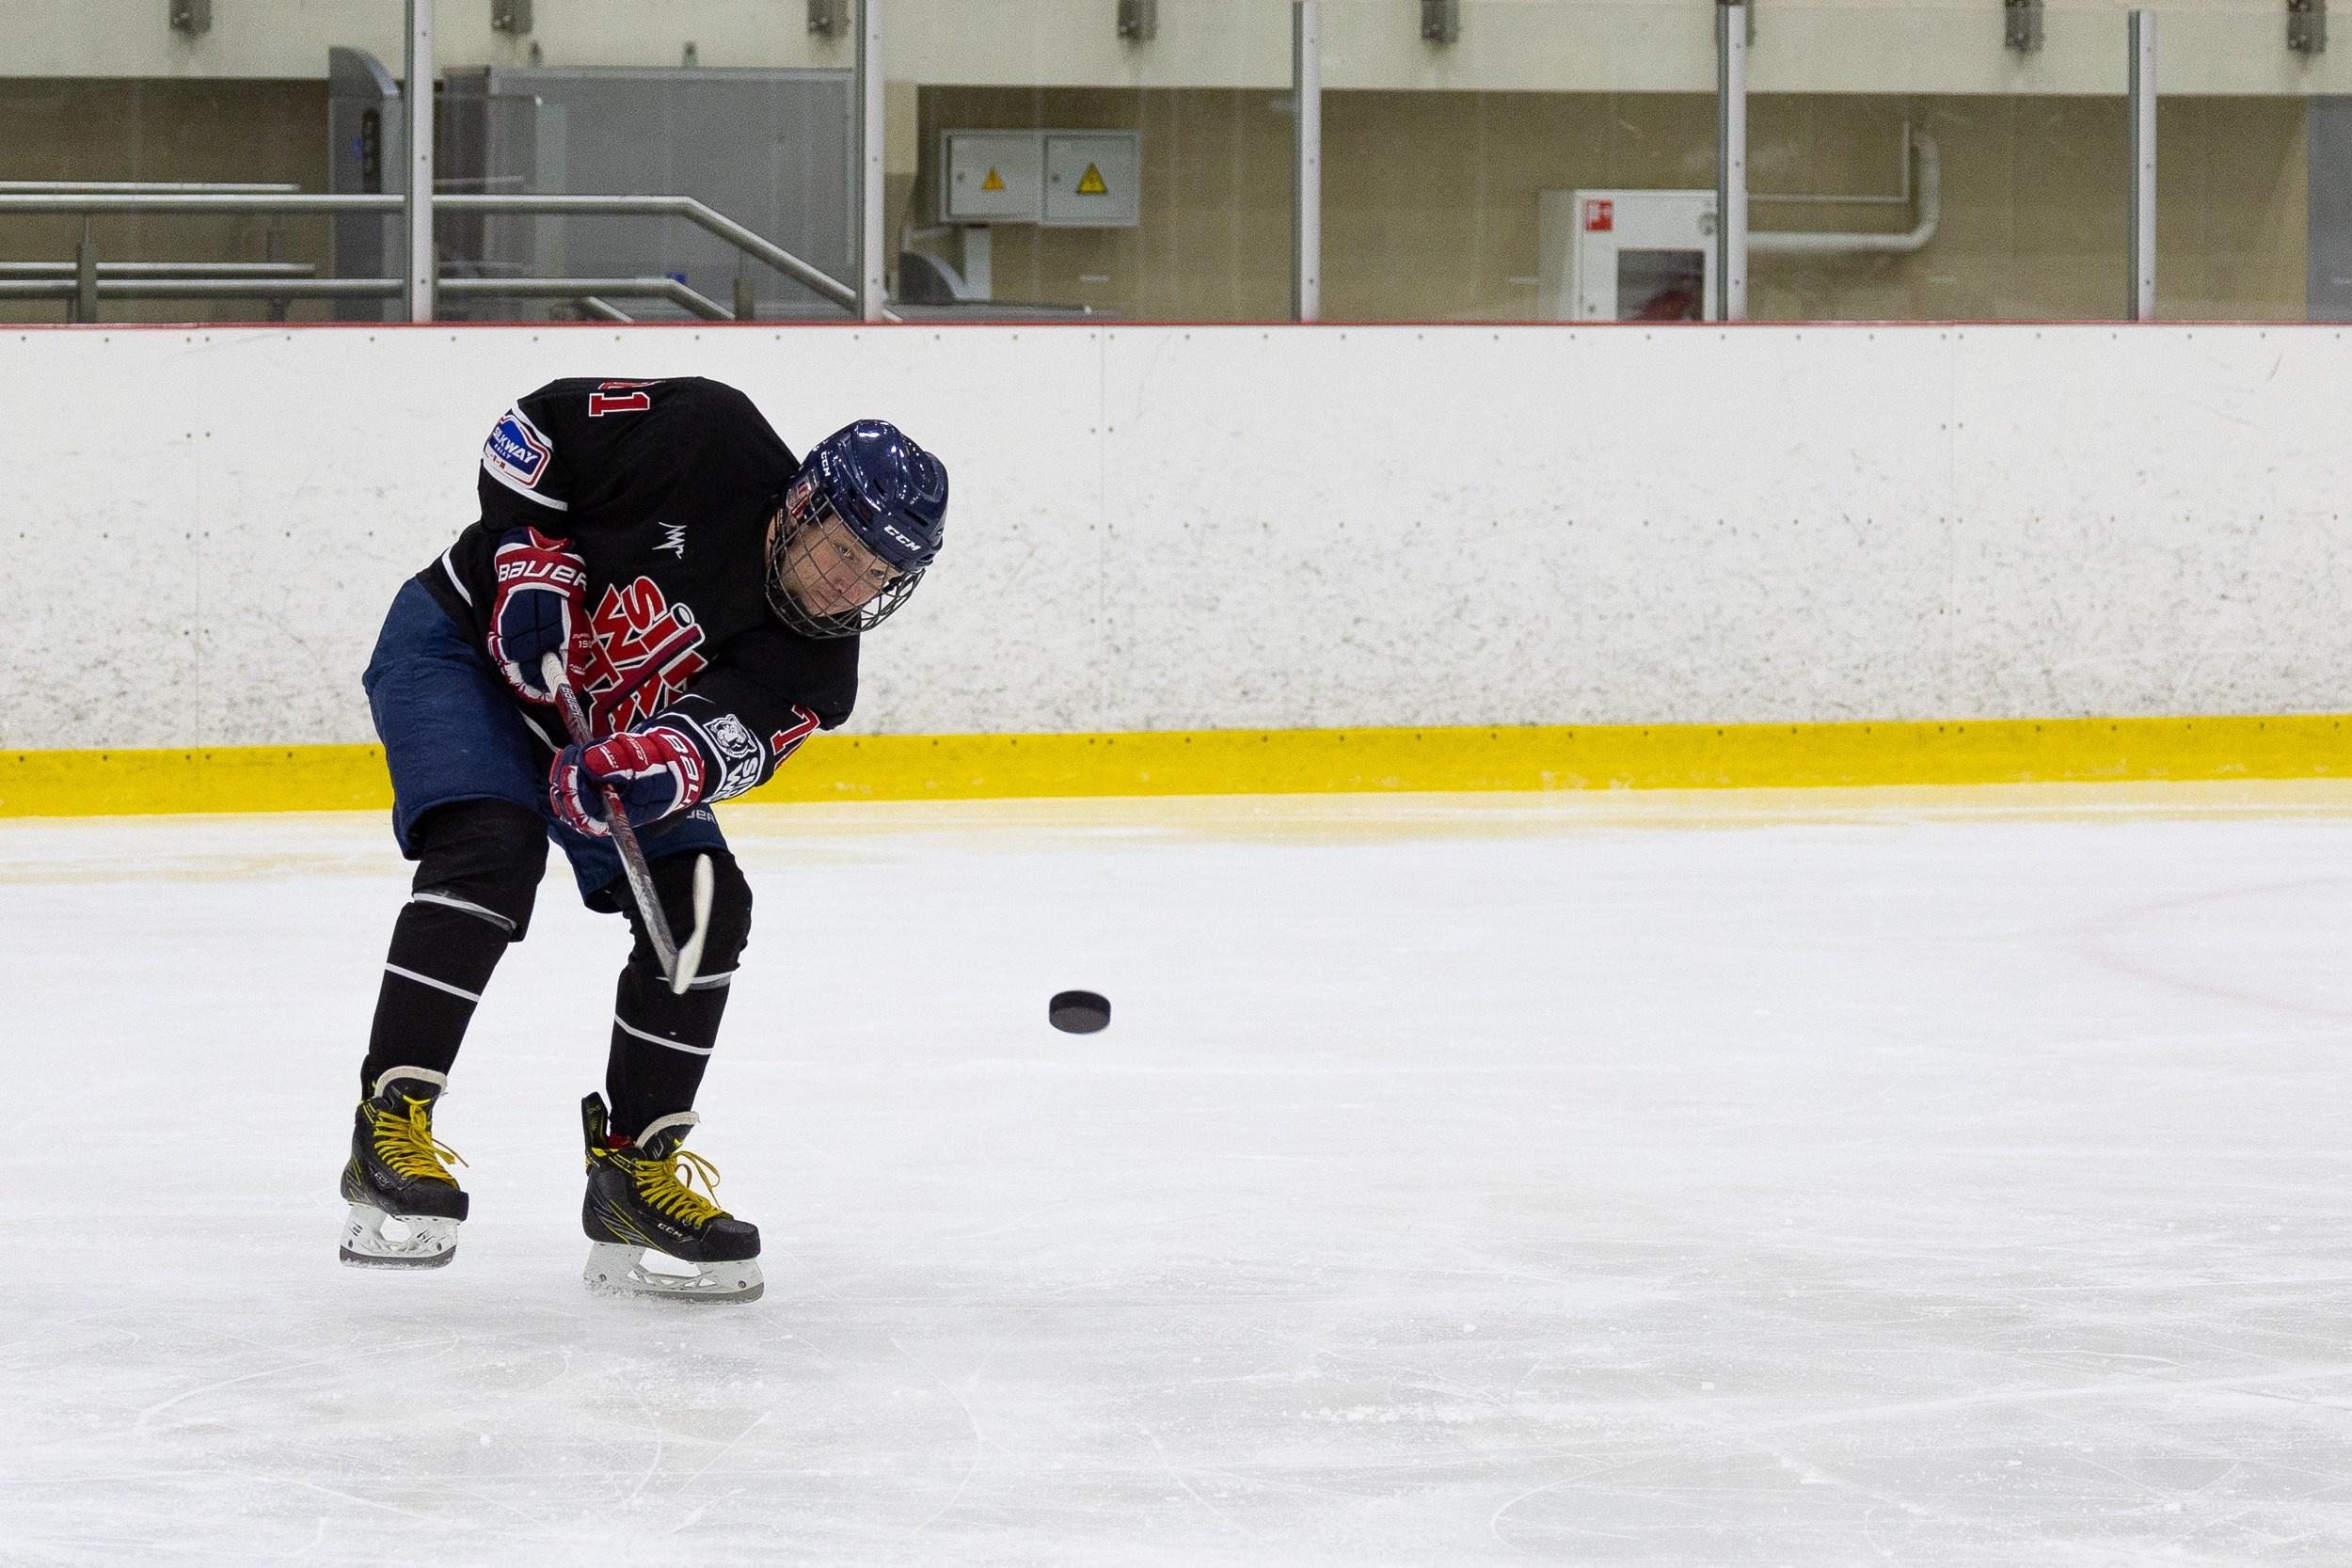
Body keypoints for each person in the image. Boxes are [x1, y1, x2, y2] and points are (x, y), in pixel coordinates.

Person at [336, 376, 947, 1303]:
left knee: (706, 903)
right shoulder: (705, 433)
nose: (847, 583)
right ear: (803, 502)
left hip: (599, 735)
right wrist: (524, 555)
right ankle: (392, 1117)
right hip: (460, 648)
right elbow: (529, 430)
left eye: (875, 574)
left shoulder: (818, 667)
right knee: (491, 847)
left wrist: (650, 763)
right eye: (842, 548)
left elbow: (714, 746)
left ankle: (634, 1170)